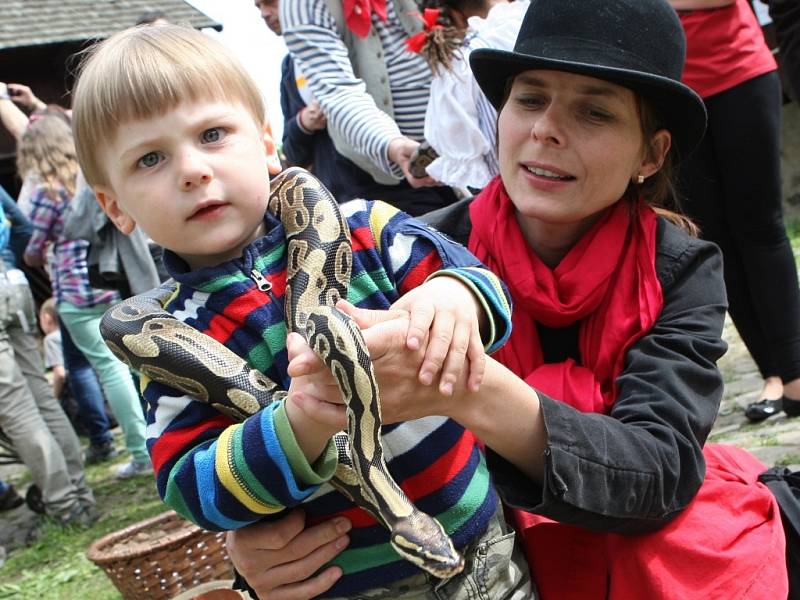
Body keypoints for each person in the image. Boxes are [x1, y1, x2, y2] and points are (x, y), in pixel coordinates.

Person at [225, 1, 789, 598]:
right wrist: (259, 550)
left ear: (650, 155)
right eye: (529, 99)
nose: (544, 129)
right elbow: (289, 414)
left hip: (628, 543)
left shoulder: (681, 269)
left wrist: (465, 386)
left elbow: (657, 475)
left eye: (594, 111)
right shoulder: (402, 250)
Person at [72, 23, 532, 599]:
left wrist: (456, 298)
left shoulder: (366, 228)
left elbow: (485, 287)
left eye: (212, 134)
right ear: (115, 207)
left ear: (268, 142)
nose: (192, 170)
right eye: (150, 159)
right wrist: (300, 424)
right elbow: (191, 489)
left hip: (484, 546)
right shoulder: (169, 331)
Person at [670, 0, 800, 423]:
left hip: (738, 72)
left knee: (761, 228)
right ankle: (774, 375)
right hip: (675, 94)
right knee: (716, 242)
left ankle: (797, 371)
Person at [18, 116, 150, 479]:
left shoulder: (44, 192)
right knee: (134, 363)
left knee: (107, 369)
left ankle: (142, 453)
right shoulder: (87, 179)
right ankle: (156, 436)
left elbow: (30, 246)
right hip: (110, 277)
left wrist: (37, 251)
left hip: (74, 292)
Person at [279, 0, 462, 216]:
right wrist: (392, 145)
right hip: (379, 176)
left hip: (471, 149)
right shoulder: (301, 5)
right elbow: (338, 91)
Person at [0, 197, 96, 526]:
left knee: (15, 408)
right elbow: (23, 225)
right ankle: (80, 496)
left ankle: (65, 508)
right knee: (41, 396)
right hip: (12, 281)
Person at [415, 0, 528, 189]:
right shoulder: (539, 20)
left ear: (456, 16)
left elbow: (472, 178)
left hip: (513, 194)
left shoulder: (457, 68)